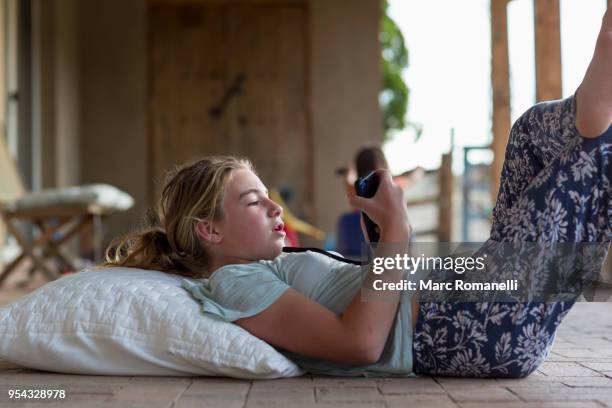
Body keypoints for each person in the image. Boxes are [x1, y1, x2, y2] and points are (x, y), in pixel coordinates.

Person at [104, 8, 612, 378]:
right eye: (254, 202)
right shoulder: (234, 285)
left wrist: (383, 244)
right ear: (208, 230)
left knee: (530, 133)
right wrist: (397, 231)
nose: (275, 207)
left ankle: (593, 115)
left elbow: (370, 301)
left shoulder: (256, 272)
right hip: (471, 325)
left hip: (473, 289)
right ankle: (597, 116)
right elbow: (362, 343)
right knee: (588, 158)